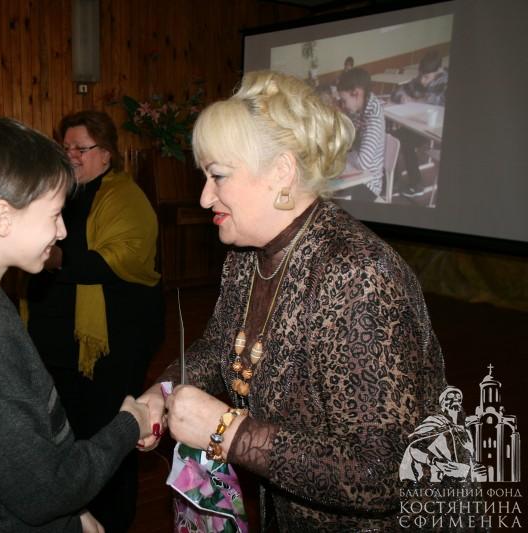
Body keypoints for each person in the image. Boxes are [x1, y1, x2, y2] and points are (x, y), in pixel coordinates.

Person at [136, 71, 455, 531]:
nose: (205, 197)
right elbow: (222, 347)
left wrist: (228, 430)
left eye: (218, 176)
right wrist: (162, 392)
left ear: (281, 172)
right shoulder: (247, 256)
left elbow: (385, 471)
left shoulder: (357, 274)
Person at [0, 116, 153, 533]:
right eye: (55, 214)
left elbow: (24, 461)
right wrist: (129, 422)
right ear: (2, 218)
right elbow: (46, 491)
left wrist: (73, 513)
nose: (61, 232)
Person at [26, 110, 164, 532]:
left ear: (106, 153)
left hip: (110, 347)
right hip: (56, 343)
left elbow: (116, 261)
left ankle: (113, 521)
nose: (70, 154)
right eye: (65, 146)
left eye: (80, 148)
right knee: (65, 435)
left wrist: (55, 258)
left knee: (107, 434)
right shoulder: (59, 193)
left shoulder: (125, 197)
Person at [390, 51, 448, 197]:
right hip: (417, 125)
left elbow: (433, 103)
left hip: (435, 128)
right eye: (421, 75)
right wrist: (402, 97)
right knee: (392, 138)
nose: (422, 80)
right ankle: (393, 182)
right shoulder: (420, 79)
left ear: (439, 71)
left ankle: (416, 184)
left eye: (427, 77)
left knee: (406, 142)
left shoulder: (444, 82)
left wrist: (414, 100)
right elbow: (397, 93)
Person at [337, 67, 385, 201]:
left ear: (356, 93)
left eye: (344, 100)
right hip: (356, 172)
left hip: (368, 184)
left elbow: (363, 163)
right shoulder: (361, 105)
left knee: (332, 197)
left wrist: (342, 155)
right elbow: (349, 136)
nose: (343, 105)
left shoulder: (373, 118)